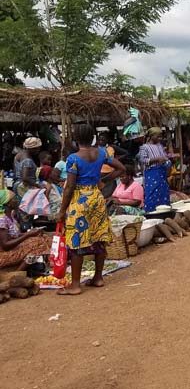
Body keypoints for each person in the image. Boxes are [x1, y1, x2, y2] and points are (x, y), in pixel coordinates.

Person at [57, 124, 125, 295]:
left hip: (80, 201)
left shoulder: (73, 158)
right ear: (92, 137)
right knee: (98, 236)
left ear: (76, 139)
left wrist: (61, 210)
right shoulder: (102, 153)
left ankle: (75, 285)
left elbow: (69, 186)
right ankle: (98, 277)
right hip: (96, 197)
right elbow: (121, 169)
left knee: (77, 240)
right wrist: (104, 180)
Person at [0, 190, 50, 269]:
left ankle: (41, 266)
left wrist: (32, 232)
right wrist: (28, 234)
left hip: (12, 249)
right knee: (38, 243)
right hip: (4, 255)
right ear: (8, 203)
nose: (17, 200)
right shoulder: (2, 220)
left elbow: (14, 236)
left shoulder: (10, 217)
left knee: (43, 238)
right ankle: (18, 272)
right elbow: (5, 245)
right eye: (14, 198)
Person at [138, 127, 172, 213]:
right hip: (152, 173)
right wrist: (156, 159)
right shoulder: (144, 147)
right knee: (152, 193)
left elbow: (164, 157)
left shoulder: (160, 146)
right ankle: (151, 213)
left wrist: (167, 161)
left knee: (163, 192)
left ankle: (165, 213)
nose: (160, 138)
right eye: (158, 136)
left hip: (161, 173)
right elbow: (143, 160)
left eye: (161, 137)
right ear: (151, 136)